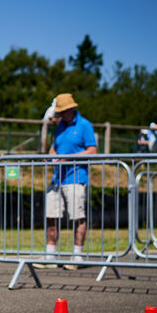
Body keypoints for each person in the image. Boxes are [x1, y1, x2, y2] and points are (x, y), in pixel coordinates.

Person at [36, 93, 97, 269]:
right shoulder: (60, 127)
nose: (60, 115)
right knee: (51, 216)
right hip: (57, 178)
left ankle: (77, 256)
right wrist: (50, 157)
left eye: (62, 111)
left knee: (77, 216)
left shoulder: (85, 125)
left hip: (76, 177)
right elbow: (54, 148)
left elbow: (92, 151)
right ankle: (50, 255)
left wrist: (69, 158)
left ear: (70, 109)